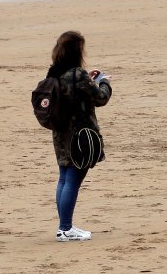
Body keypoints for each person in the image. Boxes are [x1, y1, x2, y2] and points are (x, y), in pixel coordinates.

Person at [45, 31, 112, 241]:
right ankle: (65, 228)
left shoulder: (54, 73)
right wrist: (103, 81)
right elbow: (101, 98)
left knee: (64, 178)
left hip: (60, 134)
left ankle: (64, 225)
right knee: (72, 180)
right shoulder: (77, 74)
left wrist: (89, 79)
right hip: (80, 135)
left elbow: (74, 91)